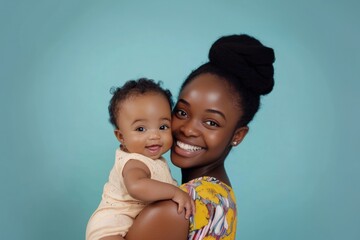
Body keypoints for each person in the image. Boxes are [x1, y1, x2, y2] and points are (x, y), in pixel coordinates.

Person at [124, 34, 275, 240]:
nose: (188, 129)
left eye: (211, 123)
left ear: (237, 135)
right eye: (182, 113)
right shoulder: (221, 198)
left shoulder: (173, 210)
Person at [86, 78, 194, 240]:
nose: (154, 136)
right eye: (141, 129)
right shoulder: (134, 161)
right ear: (121, 136)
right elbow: (136, 186)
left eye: (163, 127)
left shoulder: (155, 160)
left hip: (135, 224)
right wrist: (174, 191)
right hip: (110, 227)